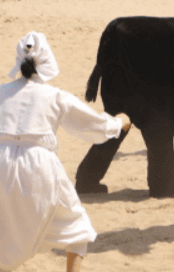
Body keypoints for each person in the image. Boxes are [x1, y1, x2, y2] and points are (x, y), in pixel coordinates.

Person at [0, 32, 132, 272]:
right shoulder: (55, 96)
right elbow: (92, 125)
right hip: (38, 165)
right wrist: (119, 122)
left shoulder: (2, 92)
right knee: (77, 227)